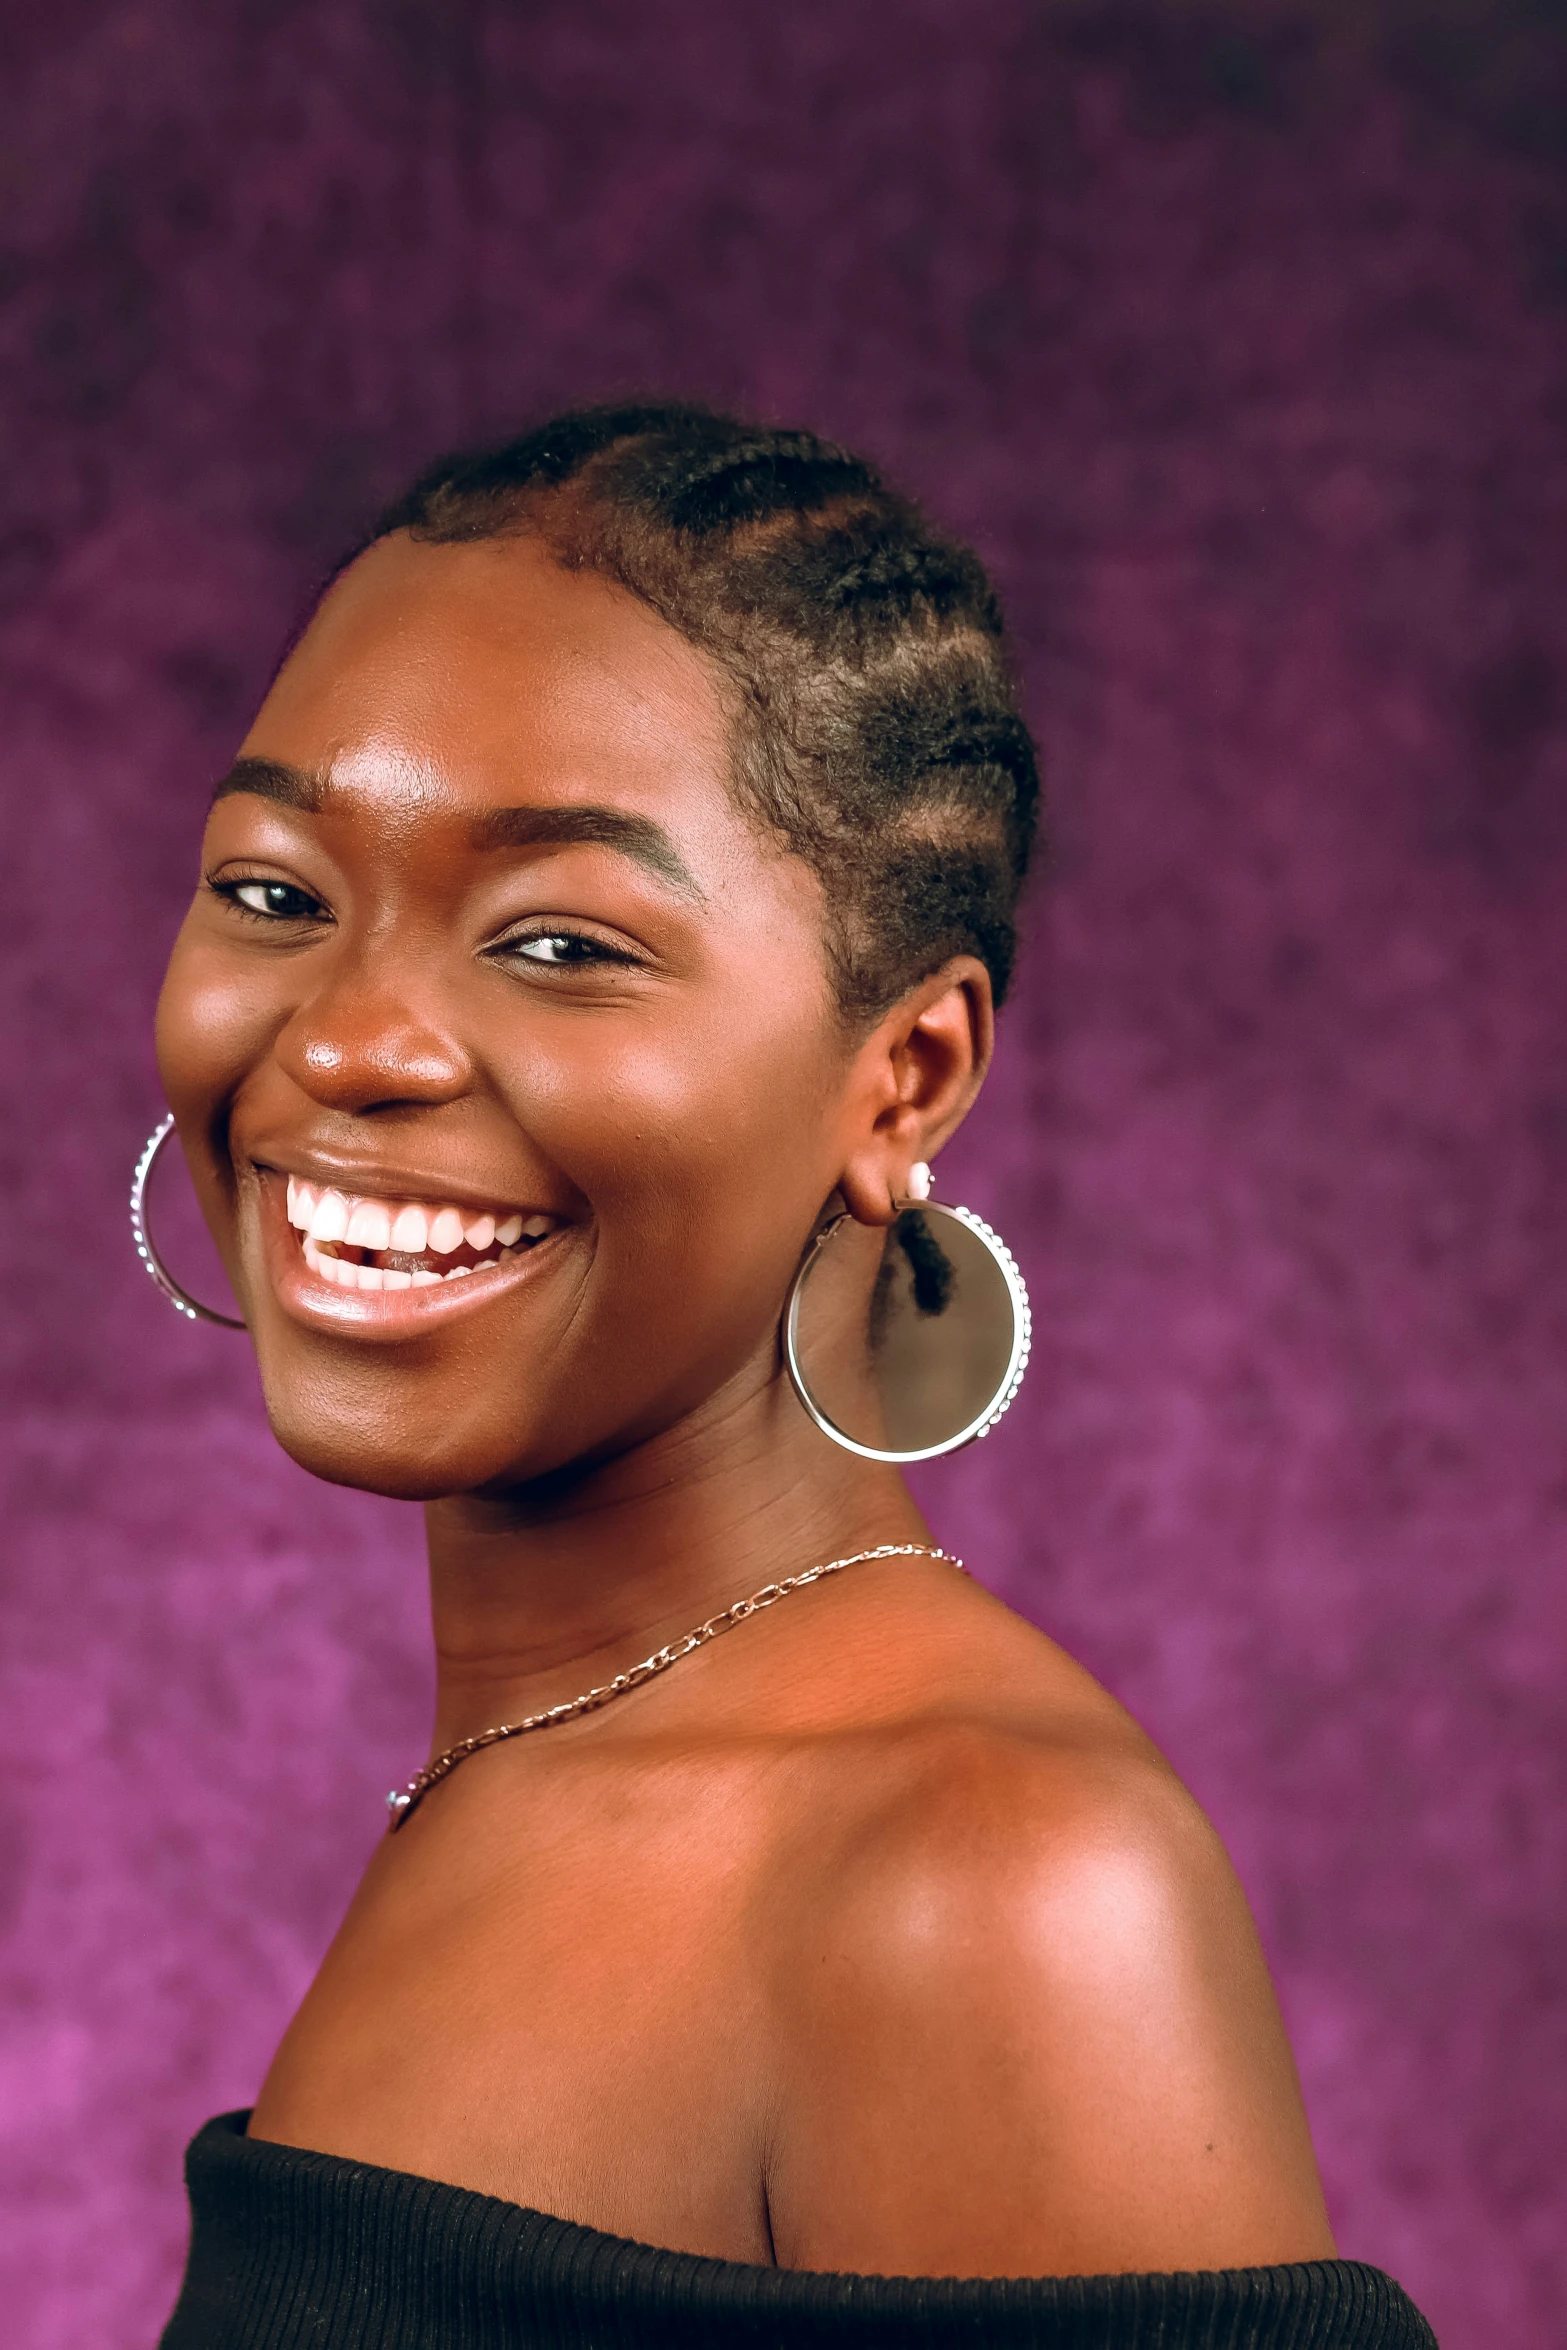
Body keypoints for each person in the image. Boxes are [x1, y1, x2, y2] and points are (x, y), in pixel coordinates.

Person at [150, 404, 1433, 2346]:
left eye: (564, 938)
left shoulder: (979, 1875)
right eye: (274, 892)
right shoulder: (529, 1757)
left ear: (902, 1075)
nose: (349, 1041)